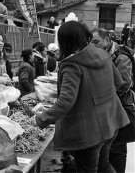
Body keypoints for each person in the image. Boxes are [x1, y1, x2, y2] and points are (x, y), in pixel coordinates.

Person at [31, 21, 129, 173]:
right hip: (111, 121)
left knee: (87, 169)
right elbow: (120, 83)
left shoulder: (71, 64)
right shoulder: (103, 54)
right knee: (103, 165)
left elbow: (65, 102)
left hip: (89, 132)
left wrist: (41, 118)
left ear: (65, 41)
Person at [91, 28, 134, 173]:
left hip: (119, 109)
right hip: (108, 111)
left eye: (96, 42)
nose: (94, 45)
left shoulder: (121, 57)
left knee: (117, 150)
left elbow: (124, 85)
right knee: (107, 152)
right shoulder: (103, 55)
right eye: (91, 42)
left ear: (107, 40)